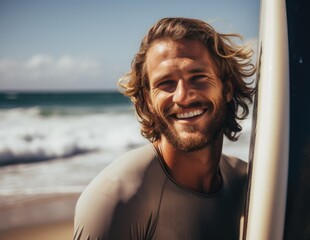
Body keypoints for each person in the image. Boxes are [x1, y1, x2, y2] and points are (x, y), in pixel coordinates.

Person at [74, 17, 255, 240]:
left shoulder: (248, 184)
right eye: (165, 83)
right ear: (148, 100)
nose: (183, 96)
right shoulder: (117, 200)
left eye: (198, 77)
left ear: (227, 88)